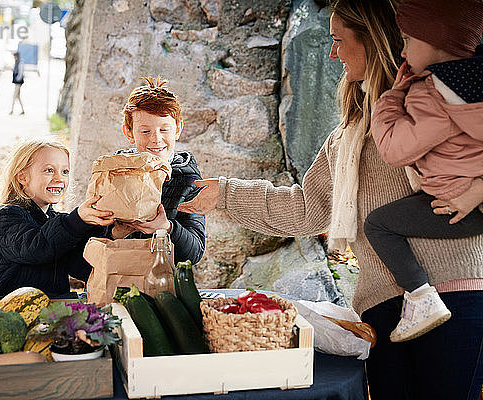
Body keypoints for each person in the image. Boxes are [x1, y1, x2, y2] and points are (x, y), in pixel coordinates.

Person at [177, 0, 483, 398]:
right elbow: (307, 210)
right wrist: (225, 194)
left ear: (372, 40)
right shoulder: (349, 134)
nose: (332, 52)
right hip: (384, 309)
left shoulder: (435, 102)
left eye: (338, 40)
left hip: (454, 294)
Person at [364, 0, 483, 343]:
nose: (402, 50)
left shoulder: (432, 95)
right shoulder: (473, 86)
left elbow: (394, 150)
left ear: (438, 41)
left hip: (455, 204)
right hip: (473, 199)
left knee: (380, 224)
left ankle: (421, 297)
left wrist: (392, 96)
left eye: (407, 41)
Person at [0, 138, 115, 301]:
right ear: (22, 177)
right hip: (10, 309)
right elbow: (37, 248)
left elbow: (81, 267)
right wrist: (77, 220)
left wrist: (112, 231)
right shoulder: (7, 216)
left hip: (53, 305)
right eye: (49, 170)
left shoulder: (57, 221)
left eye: (65, 171)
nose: (59, 178)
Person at [109, 76, 205, 264]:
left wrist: (167, 228)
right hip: (117, 278)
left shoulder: (188, 180)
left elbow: (194, 253)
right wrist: (115, 233)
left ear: (178, 129)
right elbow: (88, 242)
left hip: (163, 284)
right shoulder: (114, 172)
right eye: (145, 131)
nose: (156, 139)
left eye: (164, 130)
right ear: (129, 132)